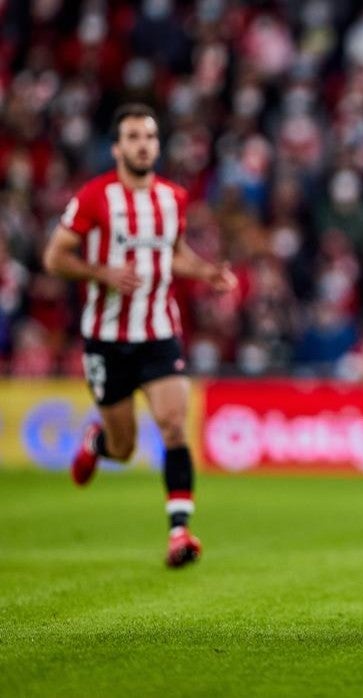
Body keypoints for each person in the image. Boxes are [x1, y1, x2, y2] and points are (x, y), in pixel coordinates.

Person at [43, 103, 237, 568]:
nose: (143, 144)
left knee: (173, 424)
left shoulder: (172, 197)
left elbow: (173, 254)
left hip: (159, 332)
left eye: (149, 136)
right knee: (124, 446)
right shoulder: (94, 198)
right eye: (133, 137)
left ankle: (180, 532)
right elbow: (54, 258)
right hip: (107, 338)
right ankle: (97, 443)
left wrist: (207, 273)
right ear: (116, 148)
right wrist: (100, 273)